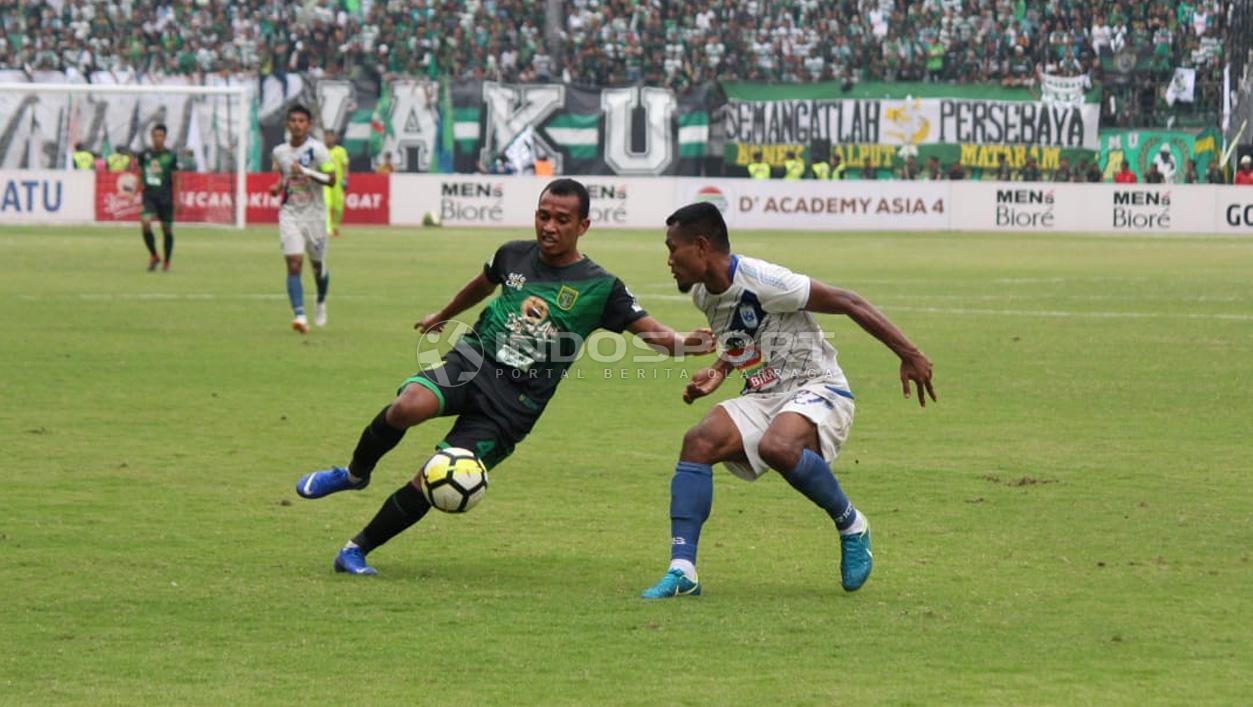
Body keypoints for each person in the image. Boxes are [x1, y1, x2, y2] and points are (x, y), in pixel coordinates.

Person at [293, 179, 717, 576]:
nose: (549, 227)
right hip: (473, 363)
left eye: (561, 220)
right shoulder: (513, 254)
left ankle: (355, 549)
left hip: (513, 406)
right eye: (543, 215)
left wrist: (689, 344)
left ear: (583, 226)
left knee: (435, 476)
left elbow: (655, 335)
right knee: (407, 406)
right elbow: (481, 285)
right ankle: (353, 474)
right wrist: (442, 316)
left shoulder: (601, 287)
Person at [639, 202, 935, 599]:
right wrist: (720, 371)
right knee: (698, 443)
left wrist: (910, 354)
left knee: (777, 445)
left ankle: (852, 525)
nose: (669, 260)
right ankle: (683, 570)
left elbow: (850, 301)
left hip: (818, 387)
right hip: (765, 394)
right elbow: (745, 331)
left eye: (673, 248)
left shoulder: (766, 279)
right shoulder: (703, 295)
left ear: (702, 246)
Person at [269, 105, 336, 334]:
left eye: (301, 121)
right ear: (288, 124)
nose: (297, 124)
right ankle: (299, 316)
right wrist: (277, 186)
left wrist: (306, 172)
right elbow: (284, 175)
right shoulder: (279, 152)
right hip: (290, 213)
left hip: (315, 216)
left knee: (318, 268)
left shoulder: (318, 150)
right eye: (293, 120)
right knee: (294, 264)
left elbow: (331, 179)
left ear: (309, 125)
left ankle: (320, 300)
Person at [137, 124, 179, 272]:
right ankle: (154, 255)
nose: (158, 139)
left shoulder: (171, 156)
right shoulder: (144, 155)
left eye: (160, 136)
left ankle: (167, 261)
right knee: (146, 223)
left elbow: (176, 178)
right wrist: (136, 191)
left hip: (166, 197)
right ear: (151, 137)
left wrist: (178, 199)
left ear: (165, 137)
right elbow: (140, 173)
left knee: (166, 229)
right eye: (155, 136)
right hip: (149, 195)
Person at [324, 131, 349, 238]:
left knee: (339, 208)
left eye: (330, 137)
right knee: (327, 204)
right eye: (326, 137)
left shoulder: (341, 151)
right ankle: (328, 229)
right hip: (325, 182)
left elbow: (345, 165)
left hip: (337, 183)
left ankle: (335, 227)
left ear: (334, 138)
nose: (328, 139)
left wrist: (345, 179)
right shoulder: (321, 151)